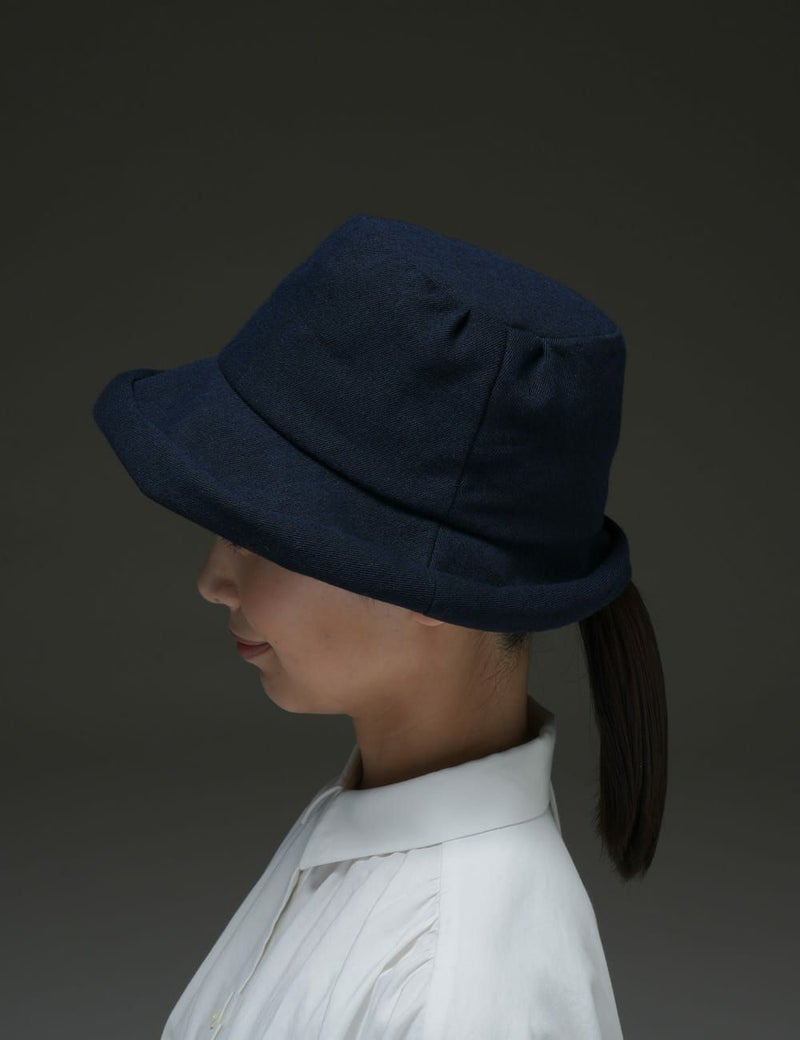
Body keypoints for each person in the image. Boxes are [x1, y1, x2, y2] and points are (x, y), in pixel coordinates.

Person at [92, 212, 668, 1039]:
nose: (213, 582)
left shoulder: (454, 987)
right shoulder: (367, 839)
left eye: (259, 536)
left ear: (433, 585)